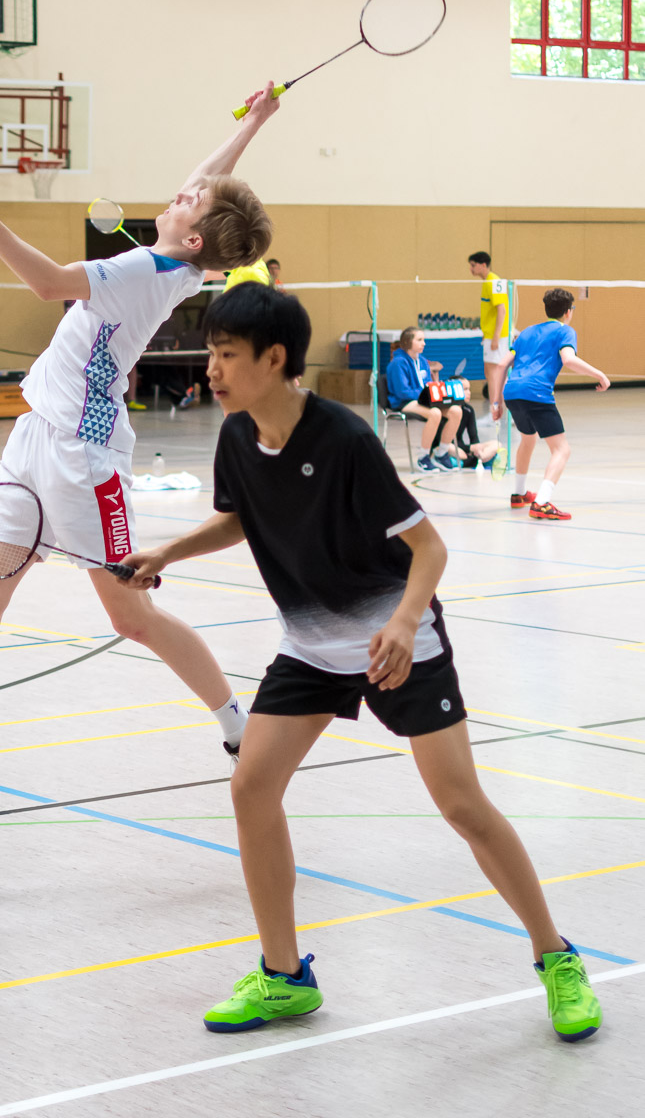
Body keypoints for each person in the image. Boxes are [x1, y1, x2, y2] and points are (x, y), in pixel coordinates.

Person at [119, 282, 603, 1044]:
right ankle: (284, 977)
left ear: (273, 359)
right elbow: (238, 519)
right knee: (251, 787)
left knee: (461, 805)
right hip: (310, 646)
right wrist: (166, 552)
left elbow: (428, 548)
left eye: (225, 354)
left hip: (395, 643)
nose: (211, 369)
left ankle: (557, 956)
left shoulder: (342, 440)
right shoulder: (238, 435)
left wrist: (405, 623)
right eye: (211, 353)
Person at [0, 81, 280, 810]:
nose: (179, 192)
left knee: (130, 616)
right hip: (35, 437)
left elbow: (46, 283)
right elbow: (207, 183)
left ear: (196, 236)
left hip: (84, 458)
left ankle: (240, 728)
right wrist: (254, 122)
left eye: (188, 201)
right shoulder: (181, 259)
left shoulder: (141, 269)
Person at [490, 288, 610, 520]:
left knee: (528, 439)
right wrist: (600, 375)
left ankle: (519, 494)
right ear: (568, 312)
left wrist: (496, 402)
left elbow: (501, 365)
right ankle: (542, 503)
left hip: (512, 392)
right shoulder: (565, 331)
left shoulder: (526, 332)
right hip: (536, 393)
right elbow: (568, 359)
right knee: (562, 449)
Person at [385, 327, 462, 472]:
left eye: (424, 340)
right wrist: (424, 395)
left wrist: (433, 393)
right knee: (435, 413)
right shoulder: (398, 363)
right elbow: (402, 392)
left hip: (424, 400)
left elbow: (428, 385)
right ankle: (423, 457)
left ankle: (441, 453)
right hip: (403, 402)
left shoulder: (422, 361)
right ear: (408, 342)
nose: (424, 343)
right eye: (419, 340)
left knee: (456, 411)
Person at [468, 250, 509, 419]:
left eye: (473, 265)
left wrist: (496, 337)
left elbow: (502, 310)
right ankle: (502, 413)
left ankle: (495, 415)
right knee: (493, 374)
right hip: (491, 335)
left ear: (483, 265)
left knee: (494, 376)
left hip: (496, 336)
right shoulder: (488, 282)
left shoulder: (493, 281)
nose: (471, 269)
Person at [431, 380, 499, 469]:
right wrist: (469, 449)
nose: (469, 393)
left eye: (469, 389)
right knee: (456, 451)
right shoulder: (444, 411)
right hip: (448, 447)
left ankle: (480, 458)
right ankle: (478, 460)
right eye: (465, 389)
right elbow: (441, 440)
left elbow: (474, 437)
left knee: (496, 444)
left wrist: (477, 449)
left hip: (464, 448)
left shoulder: (468, 410)